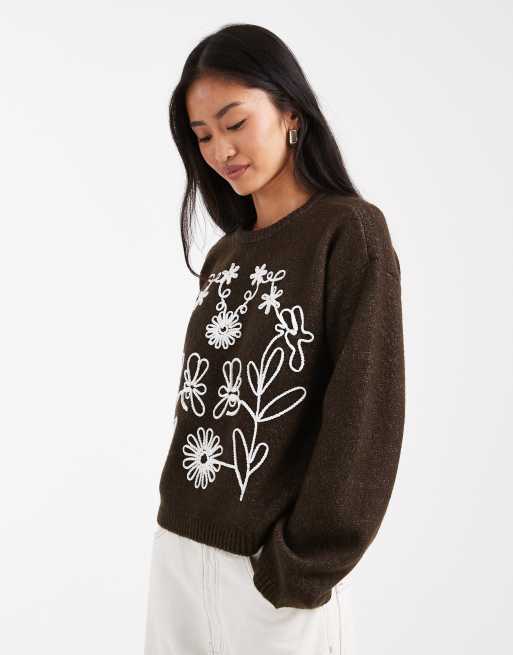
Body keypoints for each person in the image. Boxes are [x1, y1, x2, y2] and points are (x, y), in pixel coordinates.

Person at [143, 22, 405, 655]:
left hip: (273, 580)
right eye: (203, 135)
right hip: (179, 553)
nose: (221, 150)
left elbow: (366, 414)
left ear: (290, 112)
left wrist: (301, 565)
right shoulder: (226, 255)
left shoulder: (349, 234)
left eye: (235, 123)